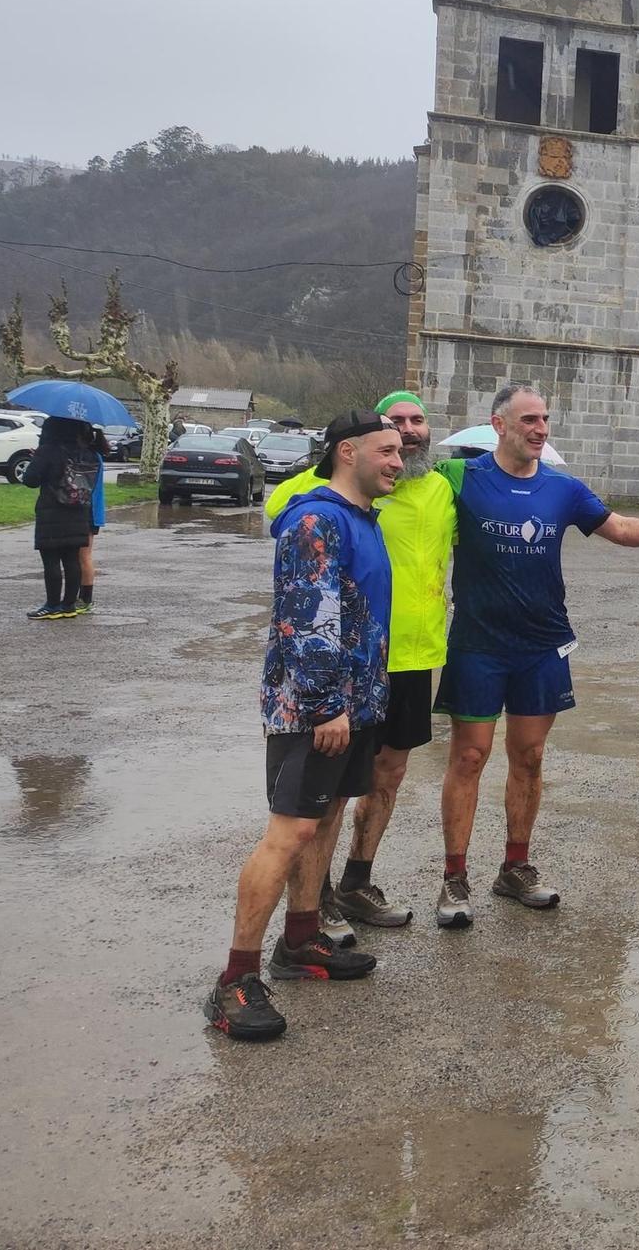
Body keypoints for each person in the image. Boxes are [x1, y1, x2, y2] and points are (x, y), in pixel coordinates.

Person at [433, 382, 639, 927]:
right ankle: (453, 880)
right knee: (469, 758)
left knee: (530, 757)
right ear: (499, 425)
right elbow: (399, 488)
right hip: (477, 645)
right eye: (529, 420)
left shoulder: (563, 489)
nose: (540, 429)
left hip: (541, 645)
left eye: (544, 420)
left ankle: (515, 868)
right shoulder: (460, 479)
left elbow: (621, 529)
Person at [203, 412, 403, 1042]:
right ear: (348, 451)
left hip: (356, 704)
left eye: (401, 451)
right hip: (315, 711)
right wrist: (324, 705)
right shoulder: (317, 520)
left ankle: (301, 939)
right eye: (388, 450)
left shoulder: (362, 519)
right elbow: (306, 617)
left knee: (326, 819)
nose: (399, 461)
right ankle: (235, 979)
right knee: (289, 832)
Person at [266, 391, 456, 938]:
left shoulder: (440, 487)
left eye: (416, 422)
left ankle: (356, 881)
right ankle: (313, 899)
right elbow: (283, 512)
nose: (409, 432)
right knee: (328, 789)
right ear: (356, 449)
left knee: (386, 777)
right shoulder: (334, 492)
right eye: (395, 424)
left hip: (414, 658)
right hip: (350, 664)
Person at [21, 417, 98, 621]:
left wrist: (36, 458)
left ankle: (52, 604)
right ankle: (69, 605)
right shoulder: (88, 454)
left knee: (51, 560)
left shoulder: (48, 451)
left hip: (52, 510)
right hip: (79, 510)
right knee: (72, 559)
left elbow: (30, 480)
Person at [80, 426, 111, 613]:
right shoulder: (95, 455)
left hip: (89, 512)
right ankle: (83, 597)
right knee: (83, 556)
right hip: (93, 512)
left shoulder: (89, 457)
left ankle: (85, 599)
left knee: (83, 556)